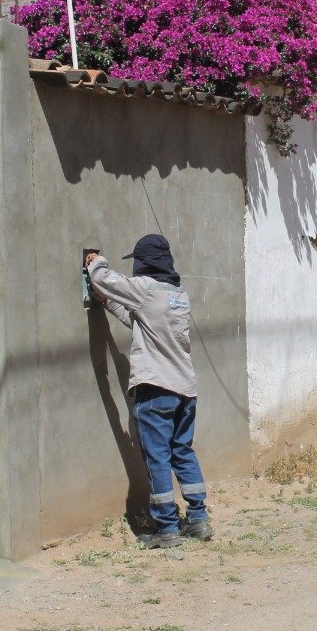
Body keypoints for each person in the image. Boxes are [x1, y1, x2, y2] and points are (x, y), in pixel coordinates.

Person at [85, 234, 212, 549]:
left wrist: (93, 261)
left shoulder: (143, 289)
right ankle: (198, 519)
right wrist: (108, 302)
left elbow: (104, 278)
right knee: (183, 453)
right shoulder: (178, 296)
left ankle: (167, 529)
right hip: (185, 391)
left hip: (156, 390)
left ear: (144, 262)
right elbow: (137, 319)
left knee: (157, 457)